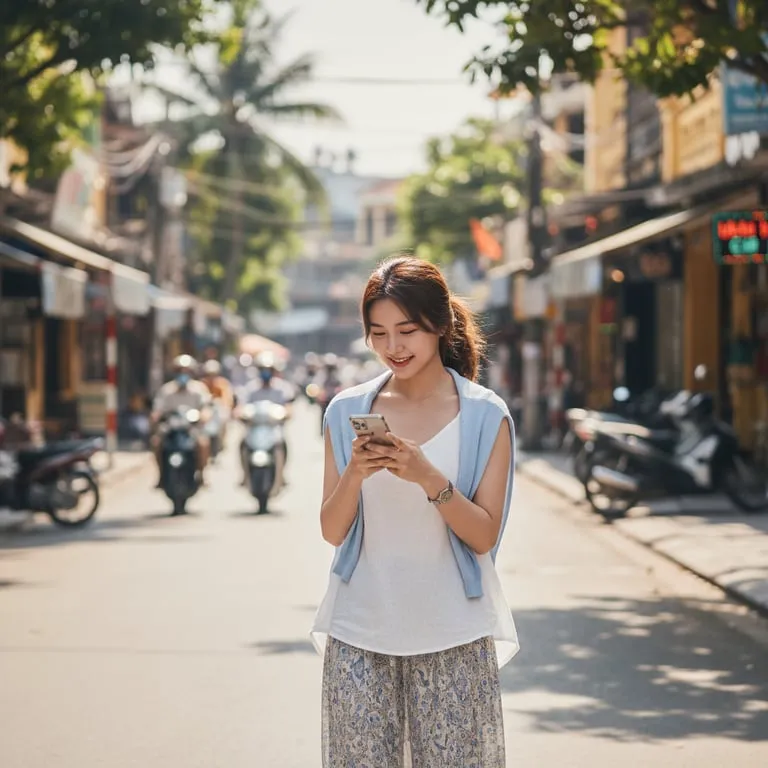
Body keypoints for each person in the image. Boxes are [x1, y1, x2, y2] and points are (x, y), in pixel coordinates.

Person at [312, 256, 519, 767]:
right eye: (378, 333)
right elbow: (332, 530)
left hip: (454, 632)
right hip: (358, 629)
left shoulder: (485, 415)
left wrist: (428, 477)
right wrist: (357, 472)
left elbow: (484, 535)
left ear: (440, 324)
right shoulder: (346, 412)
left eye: (407, 330)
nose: (393, 348)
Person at [150, 355, 212, 487]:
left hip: (191, 429)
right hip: (171, 429)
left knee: (203, 443)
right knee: (156, 443)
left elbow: (206, 407)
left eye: (186, 371)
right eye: (179, 371)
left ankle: (201, 474)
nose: (183, 374)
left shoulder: (199, 389)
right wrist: (156, 416)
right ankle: (161, 475)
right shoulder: (166, 390)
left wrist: (204, 416)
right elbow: (158, 409)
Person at [238, 352, 293, 485]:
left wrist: (285, 414)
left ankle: (281, 475)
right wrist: (240, 414)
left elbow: (289, 407)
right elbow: (241, 407)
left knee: (282, 445)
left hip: (273, 428)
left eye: (268, 370)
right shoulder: (250, 388)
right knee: (242, 445)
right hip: (255, 428)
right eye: (263, 370)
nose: (266, 373)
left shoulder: (282, 388)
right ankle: (245, 475)